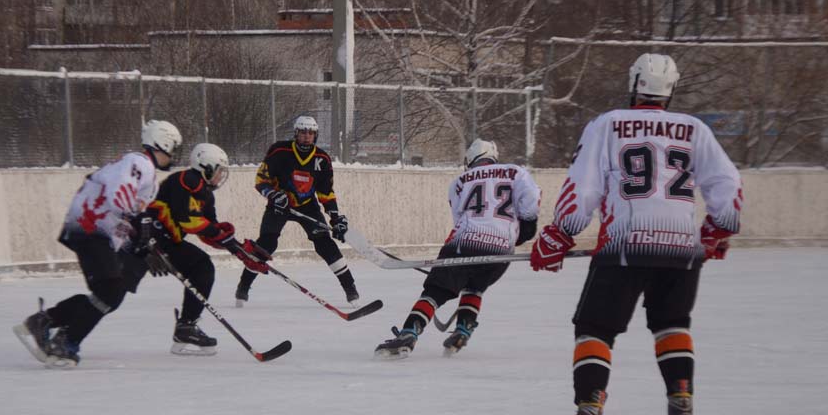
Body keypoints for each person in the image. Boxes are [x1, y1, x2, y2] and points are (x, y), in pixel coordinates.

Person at [531, 53, 743, 415]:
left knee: (595, 327)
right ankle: (681, 402)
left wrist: (559, 233)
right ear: (671, 89)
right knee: (672, 323)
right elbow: (727, 185)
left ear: (634, 84)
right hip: (682, 246)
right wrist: (718, 229)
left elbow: (585, 185)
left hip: (626, 244)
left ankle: (588, 413)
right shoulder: (694, 128)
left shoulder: (608, 124)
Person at [13, 120, 183, 367]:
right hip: (89, 227)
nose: (175, 155)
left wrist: (142, 245)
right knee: (110, 292)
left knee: (110, 294)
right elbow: (119, 196)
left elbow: (129, 216)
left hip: (94, 230)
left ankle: (47, 322)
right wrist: (143, 229)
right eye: (174, 148)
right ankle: (63, 340)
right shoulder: (139, 163)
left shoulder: (148, 177)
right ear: (163, 144)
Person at [375, 139, 540, 359]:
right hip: (501, 250)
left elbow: (460, 222)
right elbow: (531, 204)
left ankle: (409, 333)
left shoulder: (460, 181)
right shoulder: (516, 172)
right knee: (475, 286)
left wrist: (443, 263)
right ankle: (463, 330)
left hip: (466, 243)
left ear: (471, 159)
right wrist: (517, 235)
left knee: (435, 292)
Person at [143, 142, 270, 355]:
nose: (221, 176)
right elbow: (188, 221)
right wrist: (224, 238)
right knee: (113, 287)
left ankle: (186, 326)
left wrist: (239, 249)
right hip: (148, 240)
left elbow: (208, 231)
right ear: (207, 166)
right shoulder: (186, 181)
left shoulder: (206, 194)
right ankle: (69, 327)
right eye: (219, 171)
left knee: (202, 267)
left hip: (166, 243)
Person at [234, 114, 357, 306]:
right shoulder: (279, 151)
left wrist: (335, 217)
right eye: (303, 132)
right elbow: (261, 180)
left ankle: (351, 289)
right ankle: (243, 287)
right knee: (266, 244)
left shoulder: (322, 159)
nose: (307, 136)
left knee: (325, 243)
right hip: (280, 204)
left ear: (315, 135)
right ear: (296, 133)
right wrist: (274, 195)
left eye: (311, 133)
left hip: (307, 206)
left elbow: (325, 192)